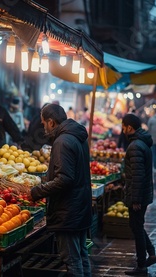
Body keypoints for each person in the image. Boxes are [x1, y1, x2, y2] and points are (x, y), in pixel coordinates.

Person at [28, 104, 92, 276]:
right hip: (80, 206)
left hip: (68, 210)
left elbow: (64, 179)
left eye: (43, 124)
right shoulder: (78, 137)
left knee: (72, 260)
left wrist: (37, 191)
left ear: (51, 122)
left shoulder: (62, 141)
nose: (43, 128)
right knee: (81, 255)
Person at [121, 114, 156, 276]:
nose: (122, 130)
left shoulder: (135, 146)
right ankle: (151, 254)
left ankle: (141, 266)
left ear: (130, 127)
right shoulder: (141, 143)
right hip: (143, 193)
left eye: (124, 127)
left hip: (138, 195)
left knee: (136, 227)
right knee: (137, 225)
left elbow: (137, 174)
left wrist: (135, 199)